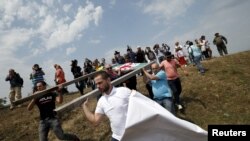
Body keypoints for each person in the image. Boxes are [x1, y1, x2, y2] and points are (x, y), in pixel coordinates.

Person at [82, 71, 132, 141]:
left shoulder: (124, 91)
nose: (98, 86)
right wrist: (84, 107)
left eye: (100, 83)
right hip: (116, 137)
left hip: (133, 135)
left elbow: (141, 107)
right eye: (96, 84)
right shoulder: (101, 101)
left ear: (108, 80)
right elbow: (95, 121)